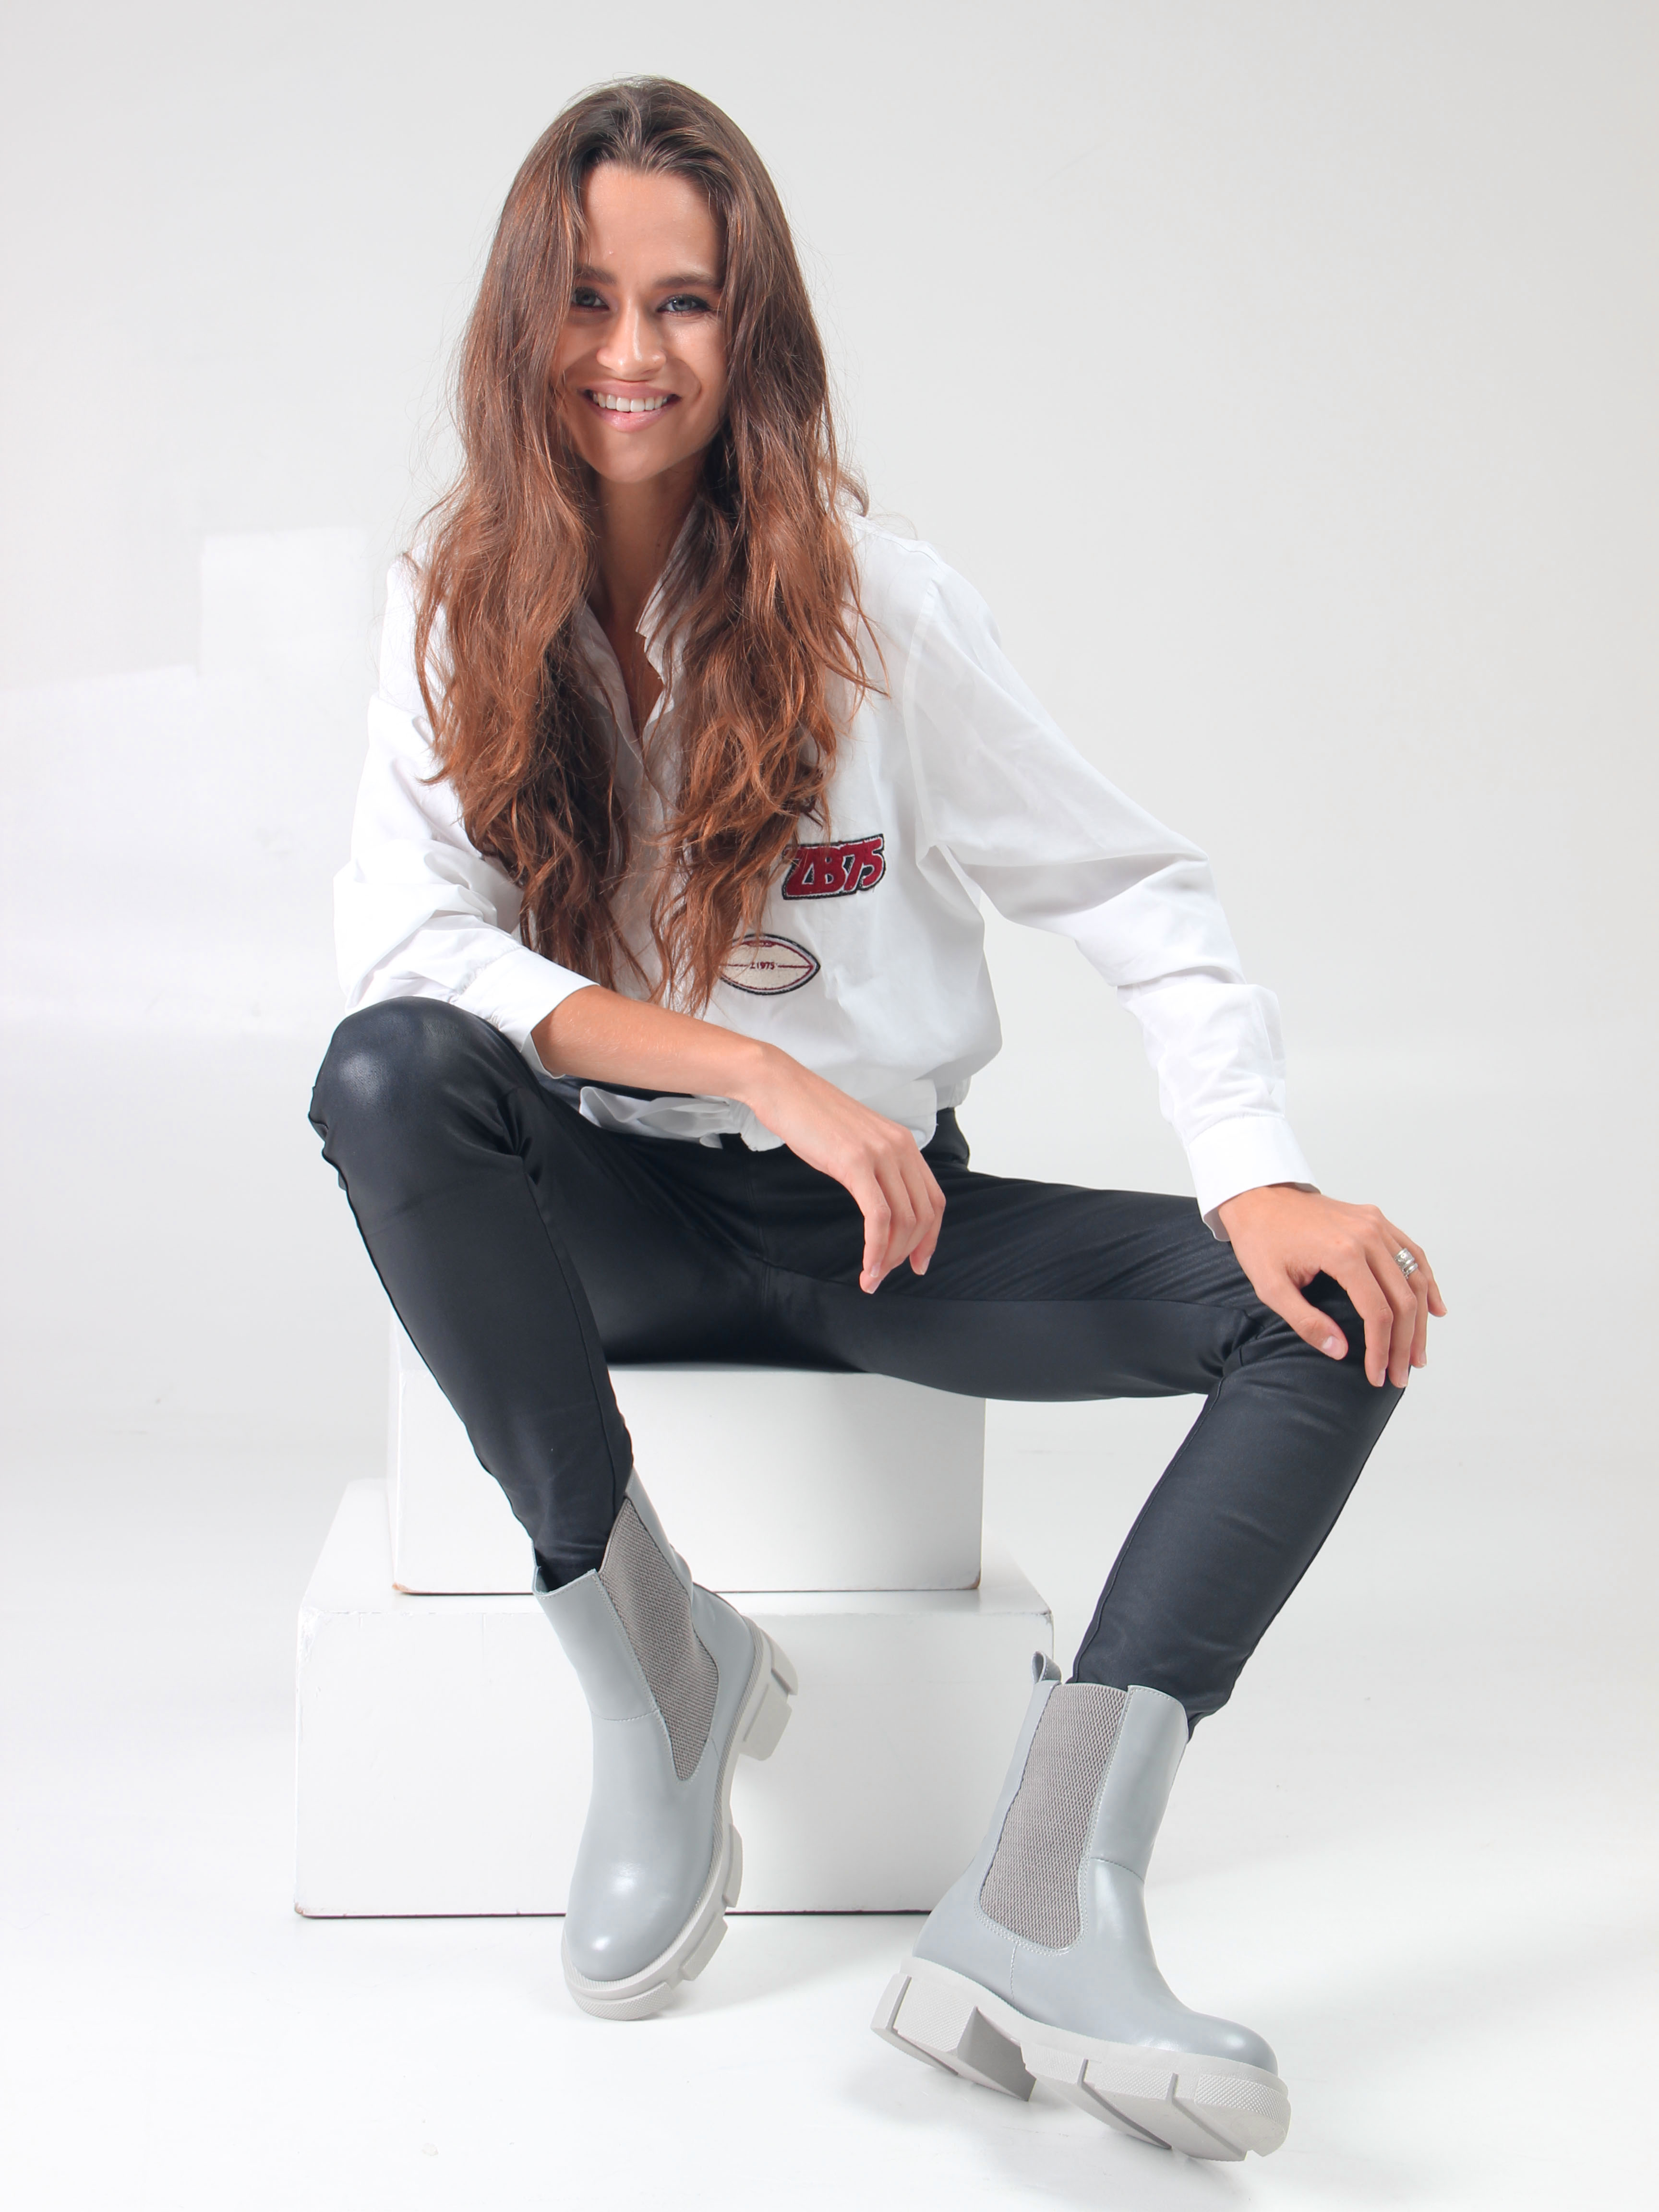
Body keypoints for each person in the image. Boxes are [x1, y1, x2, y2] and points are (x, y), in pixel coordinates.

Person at [309, 77, 1443, 2158]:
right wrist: (752, 1066)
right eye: (586, 298)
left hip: (885, 1232)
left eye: (683, 302)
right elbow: (408, 951)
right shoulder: (448, 598)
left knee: (1329, 1321)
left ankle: (1043, 1898)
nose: (631, 353)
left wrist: (1259, 1176)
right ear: (522, 321)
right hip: (611, 1223)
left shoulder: (877, 609)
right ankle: (661, 1681)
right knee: (382, 1072)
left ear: (750, 330)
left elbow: (1139, 890)